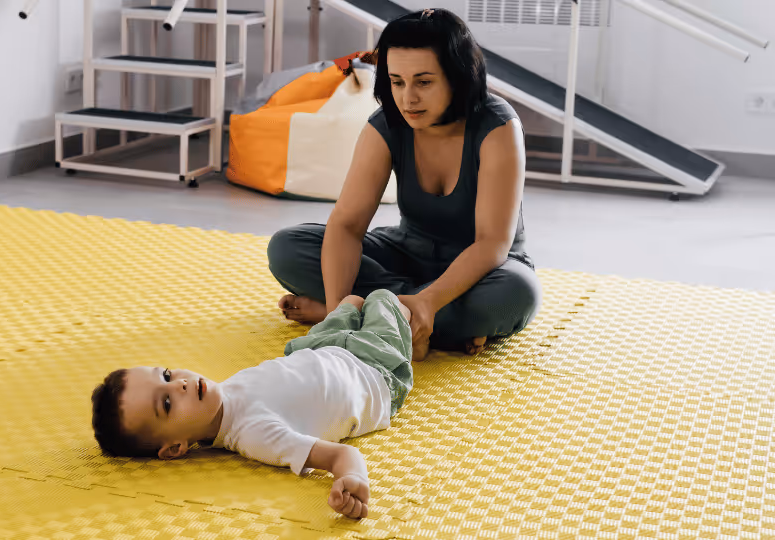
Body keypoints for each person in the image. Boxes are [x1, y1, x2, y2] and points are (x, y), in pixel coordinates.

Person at [267, 8, 542, 362]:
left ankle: (393, 315)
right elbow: (347, 225)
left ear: (457, 78)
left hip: (485, 268)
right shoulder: (386, 125)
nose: (407, 98)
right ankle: (409, 322)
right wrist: (339, 315)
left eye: (423, 82)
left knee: (516, 294)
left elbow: (492, 243)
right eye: (397, 82)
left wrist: (427, 301)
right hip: (407, 253)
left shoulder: (498, 127)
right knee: (288, 248)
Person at [91, 290, 415, 520]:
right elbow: (342, 455)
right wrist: (352, 480)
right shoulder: (256, 435)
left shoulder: (218, 395)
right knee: (383, 299)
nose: (180, 384)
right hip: (373, 372)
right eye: (166, 402)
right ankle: (413, 329)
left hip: (318, 349)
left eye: (165, 374)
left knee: (348, 304)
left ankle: (342, 311)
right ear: (175, 448)